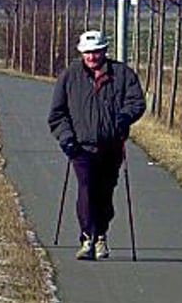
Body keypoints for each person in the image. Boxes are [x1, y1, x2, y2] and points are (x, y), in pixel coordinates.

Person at [48, 29, 146, 261]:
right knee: (86, 188)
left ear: (104, 51)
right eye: (87, 53)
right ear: (81, 53)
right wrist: (66, 138)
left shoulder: (122, 74)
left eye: (96, 52)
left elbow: (136, 102)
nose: (92, 57)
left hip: (111, 145)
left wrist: (124, 118)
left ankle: (101, 234)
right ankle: (87, 238)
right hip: (81, 147)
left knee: (105, 192)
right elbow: (57, 114)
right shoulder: (69, 77)